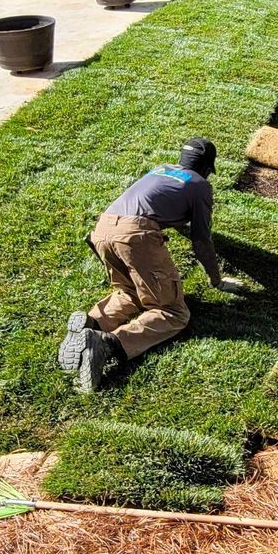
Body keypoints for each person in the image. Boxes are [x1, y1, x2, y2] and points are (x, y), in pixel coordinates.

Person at [59, 138, 243, 391]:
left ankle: (91, 323)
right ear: (205, 168)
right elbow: (201, 240)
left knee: (130, 291)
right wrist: (217, 280)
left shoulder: (161, 170)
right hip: (134, 236)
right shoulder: (200, 185)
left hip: (103, 229)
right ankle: (106, 343)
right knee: (173, 312)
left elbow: (158, 206)